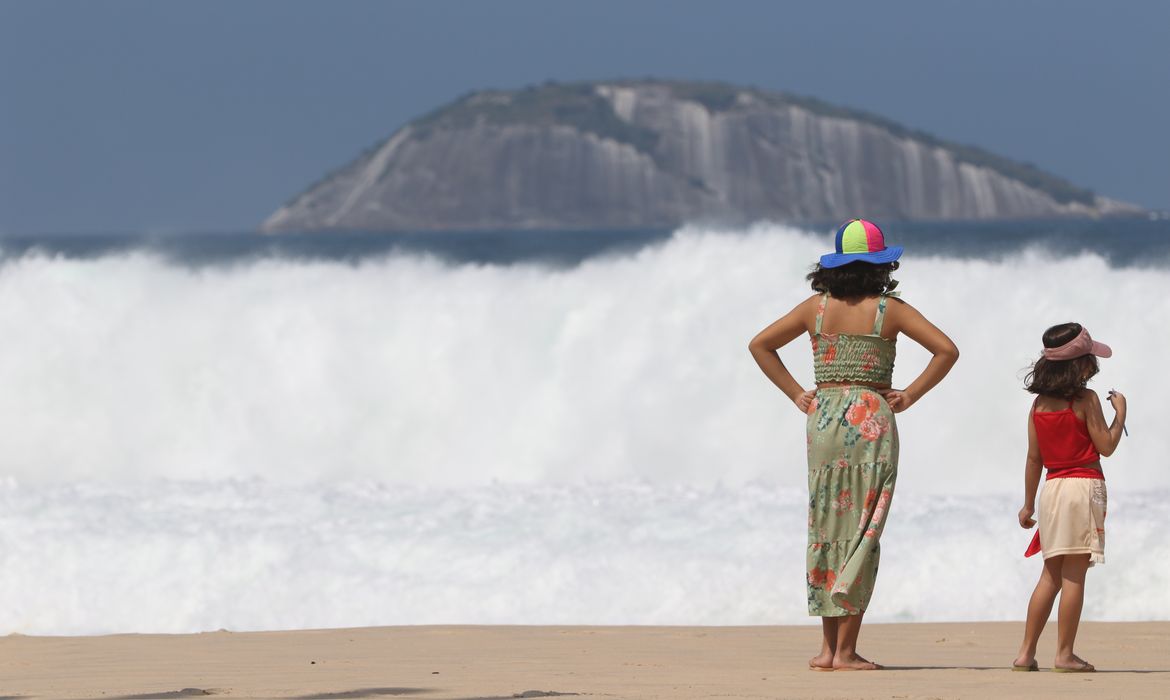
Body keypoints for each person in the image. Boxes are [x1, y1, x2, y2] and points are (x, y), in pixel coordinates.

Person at [749, 219, 958, 671]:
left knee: (826, 526)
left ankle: (827, 650)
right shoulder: (890, 309)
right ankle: (846, 651)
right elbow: (947, 350)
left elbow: (760, 345)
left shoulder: (815, 309)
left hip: (822, 417)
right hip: (870, 418)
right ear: (882, 266)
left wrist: (796, 393)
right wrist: (910, 394)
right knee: (865, 529)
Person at [1012, 323, 1126, 673]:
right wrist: (1121, 413)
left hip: (1052, 490)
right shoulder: (1086, 400)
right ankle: (1064, 654)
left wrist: (1029, 503)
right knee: (1075, 576)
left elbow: (1034, 458)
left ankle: (1026, 653)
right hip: (1083, 486)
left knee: (1051, 576)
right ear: (1080, 364)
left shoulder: (1038, 406)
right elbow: (1105, 446)